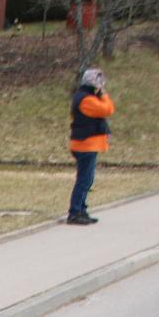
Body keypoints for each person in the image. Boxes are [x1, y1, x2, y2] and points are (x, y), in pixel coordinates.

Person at [68, 67, 114, 226]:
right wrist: (104, 94)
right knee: (84, 180)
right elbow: (107, 109)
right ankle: (75, 212)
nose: (101, 85)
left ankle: (81, 210)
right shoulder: (86, 99)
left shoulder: (85, 96)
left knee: (87, 180)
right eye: (99, 82)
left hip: (87, 144)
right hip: (85, 145)